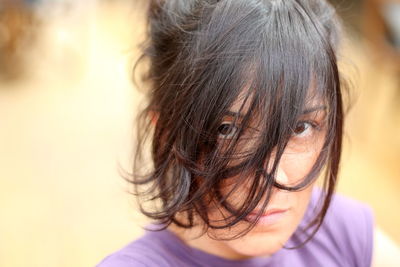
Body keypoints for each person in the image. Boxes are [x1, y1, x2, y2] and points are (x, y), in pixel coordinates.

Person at [97, 0, 394, 266]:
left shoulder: (339, 229)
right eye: (227, 130)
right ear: (165, 133)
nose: (275, 176)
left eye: (300, 127)